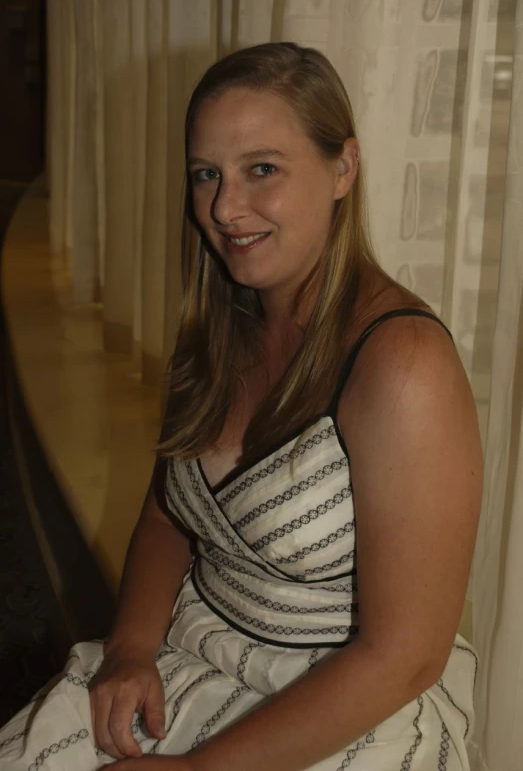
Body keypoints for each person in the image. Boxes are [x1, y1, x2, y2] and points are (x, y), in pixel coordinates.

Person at [0, 42, 483, 771]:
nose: (224, 208)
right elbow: (169, 513)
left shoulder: (400, 365)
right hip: (196, 649)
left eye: (262, 169)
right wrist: (131, 647)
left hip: (347, 704)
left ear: (342, 169)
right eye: (206, 175)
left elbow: (404, 657)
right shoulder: (224, 325)